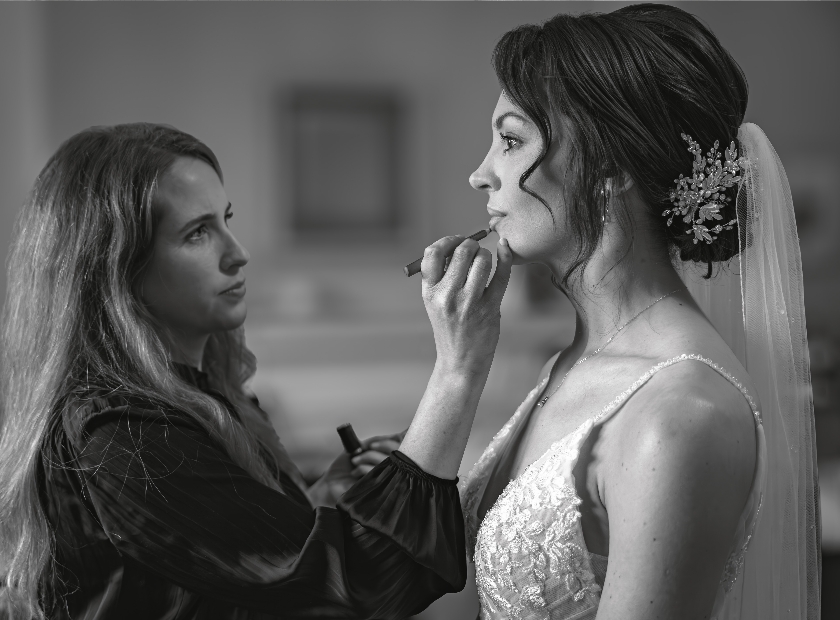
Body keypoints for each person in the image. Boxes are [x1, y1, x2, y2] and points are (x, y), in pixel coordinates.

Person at [0, 123, 513, 619]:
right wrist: (458, 366)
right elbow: (356, 585)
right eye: (197, 234)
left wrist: (313, 502)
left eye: (226, 219)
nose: (238, 254)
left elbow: (215, 571)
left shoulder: (199, 391)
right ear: (115, 269)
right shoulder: (120, 434)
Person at [453, 4, 820, 620]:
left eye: (511, 141)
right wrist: (456, 368)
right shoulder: (572, 362)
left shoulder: (682, 414)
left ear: (611, 168)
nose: (479, 175)